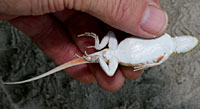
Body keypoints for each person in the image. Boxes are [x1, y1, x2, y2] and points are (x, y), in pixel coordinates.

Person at [0, 0, 168, 91]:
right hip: (112, 52)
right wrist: (99, 53)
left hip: (112, 51)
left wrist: (100, 53)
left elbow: (110, 68)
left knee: (111, 73)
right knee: (111, 75)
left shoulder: (114, 52)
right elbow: (110, 69)